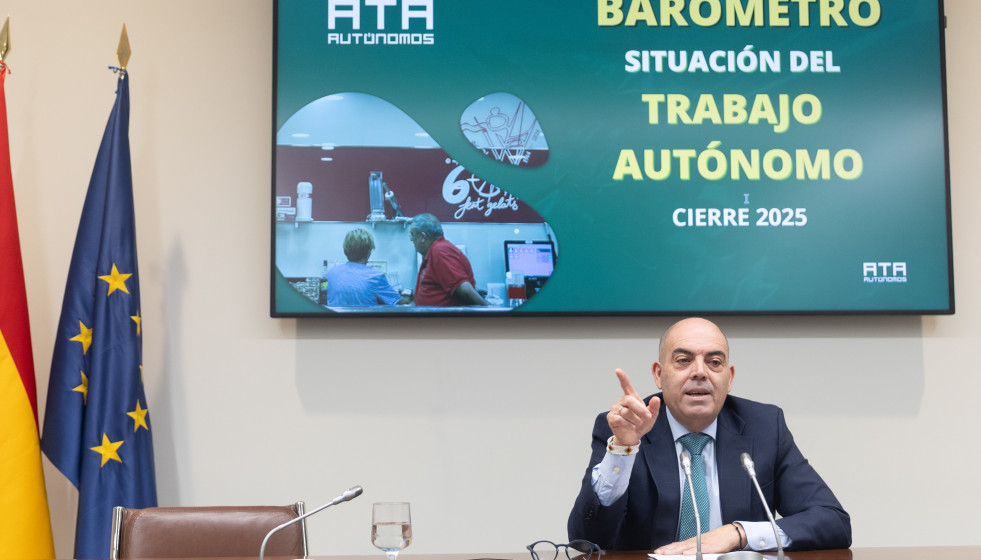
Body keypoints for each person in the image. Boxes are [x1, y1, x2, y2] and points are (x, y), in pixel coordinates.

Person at [568, 317, 851, 555]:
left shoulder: (764, 427)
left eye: (714, 362)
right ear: (658, 374)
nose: (700, 372)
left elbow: (833, 521)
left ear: (729, 377)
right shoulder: (625, 429)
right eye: (683, 360)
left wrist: (739, 533)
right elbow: (586, 539)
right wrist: (623, 449)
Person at [407, 213, 488, 306]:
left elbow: (465, 290)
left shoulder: (440, 252)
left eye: (412, 234)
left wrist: (490, 311)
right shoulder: (433, 252)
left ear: (422, 237)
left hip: (445, 320)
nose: (411, 239)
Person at [326, 228, 403, 306]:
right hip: (363, 318)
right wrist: (408, 295)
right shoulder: (376, 276)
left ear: (345, 251)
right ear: (368, 252)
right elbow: (398, 302)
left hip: (336, 318)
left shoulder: (332, 273)